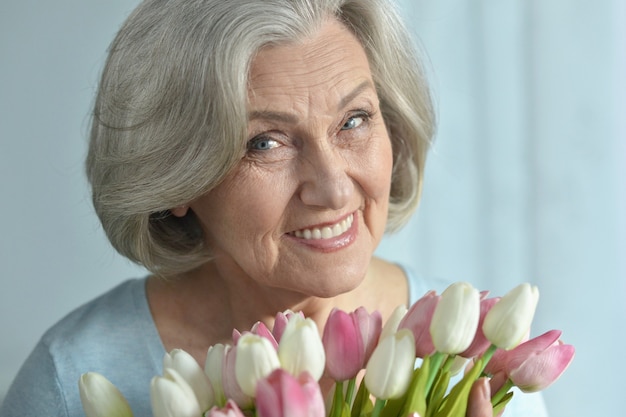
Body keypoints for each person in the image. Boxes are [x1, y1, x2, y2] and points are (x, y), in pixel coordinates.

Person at [0, 1, 548, 416]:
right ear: (176, 179)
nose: (333, 189)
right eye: (264, 143)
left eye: (353, 121)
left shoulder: (479, 365)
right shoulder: (72, 377)